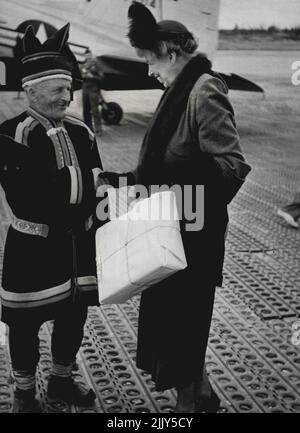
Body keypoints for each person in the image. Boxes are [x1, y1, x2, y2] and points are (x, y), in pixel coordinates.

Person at [97, 2, 251, 413]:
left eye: (149, 60)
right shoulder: (177, 89)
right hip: (171, 231)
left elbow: (231, 166)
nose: (148, 70)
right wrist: (121, 182)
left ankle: (190, 407)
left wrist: (173, 191)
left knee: (183, 329)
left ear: (169, 51)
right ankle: (203, 397)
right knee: (176, 328)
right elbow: (163, 166)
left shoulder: (205, 88)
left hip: (194, 238)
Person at [0, 24, 104, 413]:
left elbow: (100, 184)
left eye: (69, 88)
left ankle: (61, 380)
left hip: (75, 246)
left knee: (73, 318)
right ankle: (24, 394)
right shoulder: (14, 135)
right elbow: (28, 195)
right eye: (58, 89)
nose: (68, 96)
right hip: (31, 247)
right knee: (24, 324)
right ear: (31, 90)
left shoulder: (82, 133)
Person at [81, 48, 105, 135]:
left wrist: (92, 76)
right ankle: (88, 128)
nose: (88, 57)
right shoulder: (83, 65)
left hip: (93, 89)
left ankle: (99, 129)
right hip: (85, 89)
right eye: (86, 55)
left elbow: (102, 77)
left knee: (95, 110)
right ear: (85, 56)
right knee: (86, 110)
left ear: (91, 55)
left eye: (89, 55)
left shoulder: (96, 65)